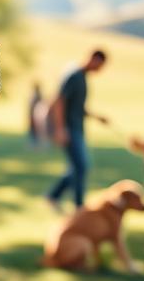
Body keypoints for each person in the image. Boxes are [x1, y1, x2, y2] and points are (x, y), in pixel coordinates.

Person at [45, 50, 108, 211]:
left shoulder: (83, 77)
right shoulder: (74, 75)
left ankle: (53, 196)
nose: (99, 70)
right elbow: (60, 101)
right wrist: (60, 129)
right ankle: (79, 206)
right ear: (93, 58)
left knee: (77, 167)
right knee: (81, 166)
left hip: (77, 128)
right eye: (99, 65)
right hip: (69, 129)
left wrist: (96, 117)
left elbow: (77, 106)